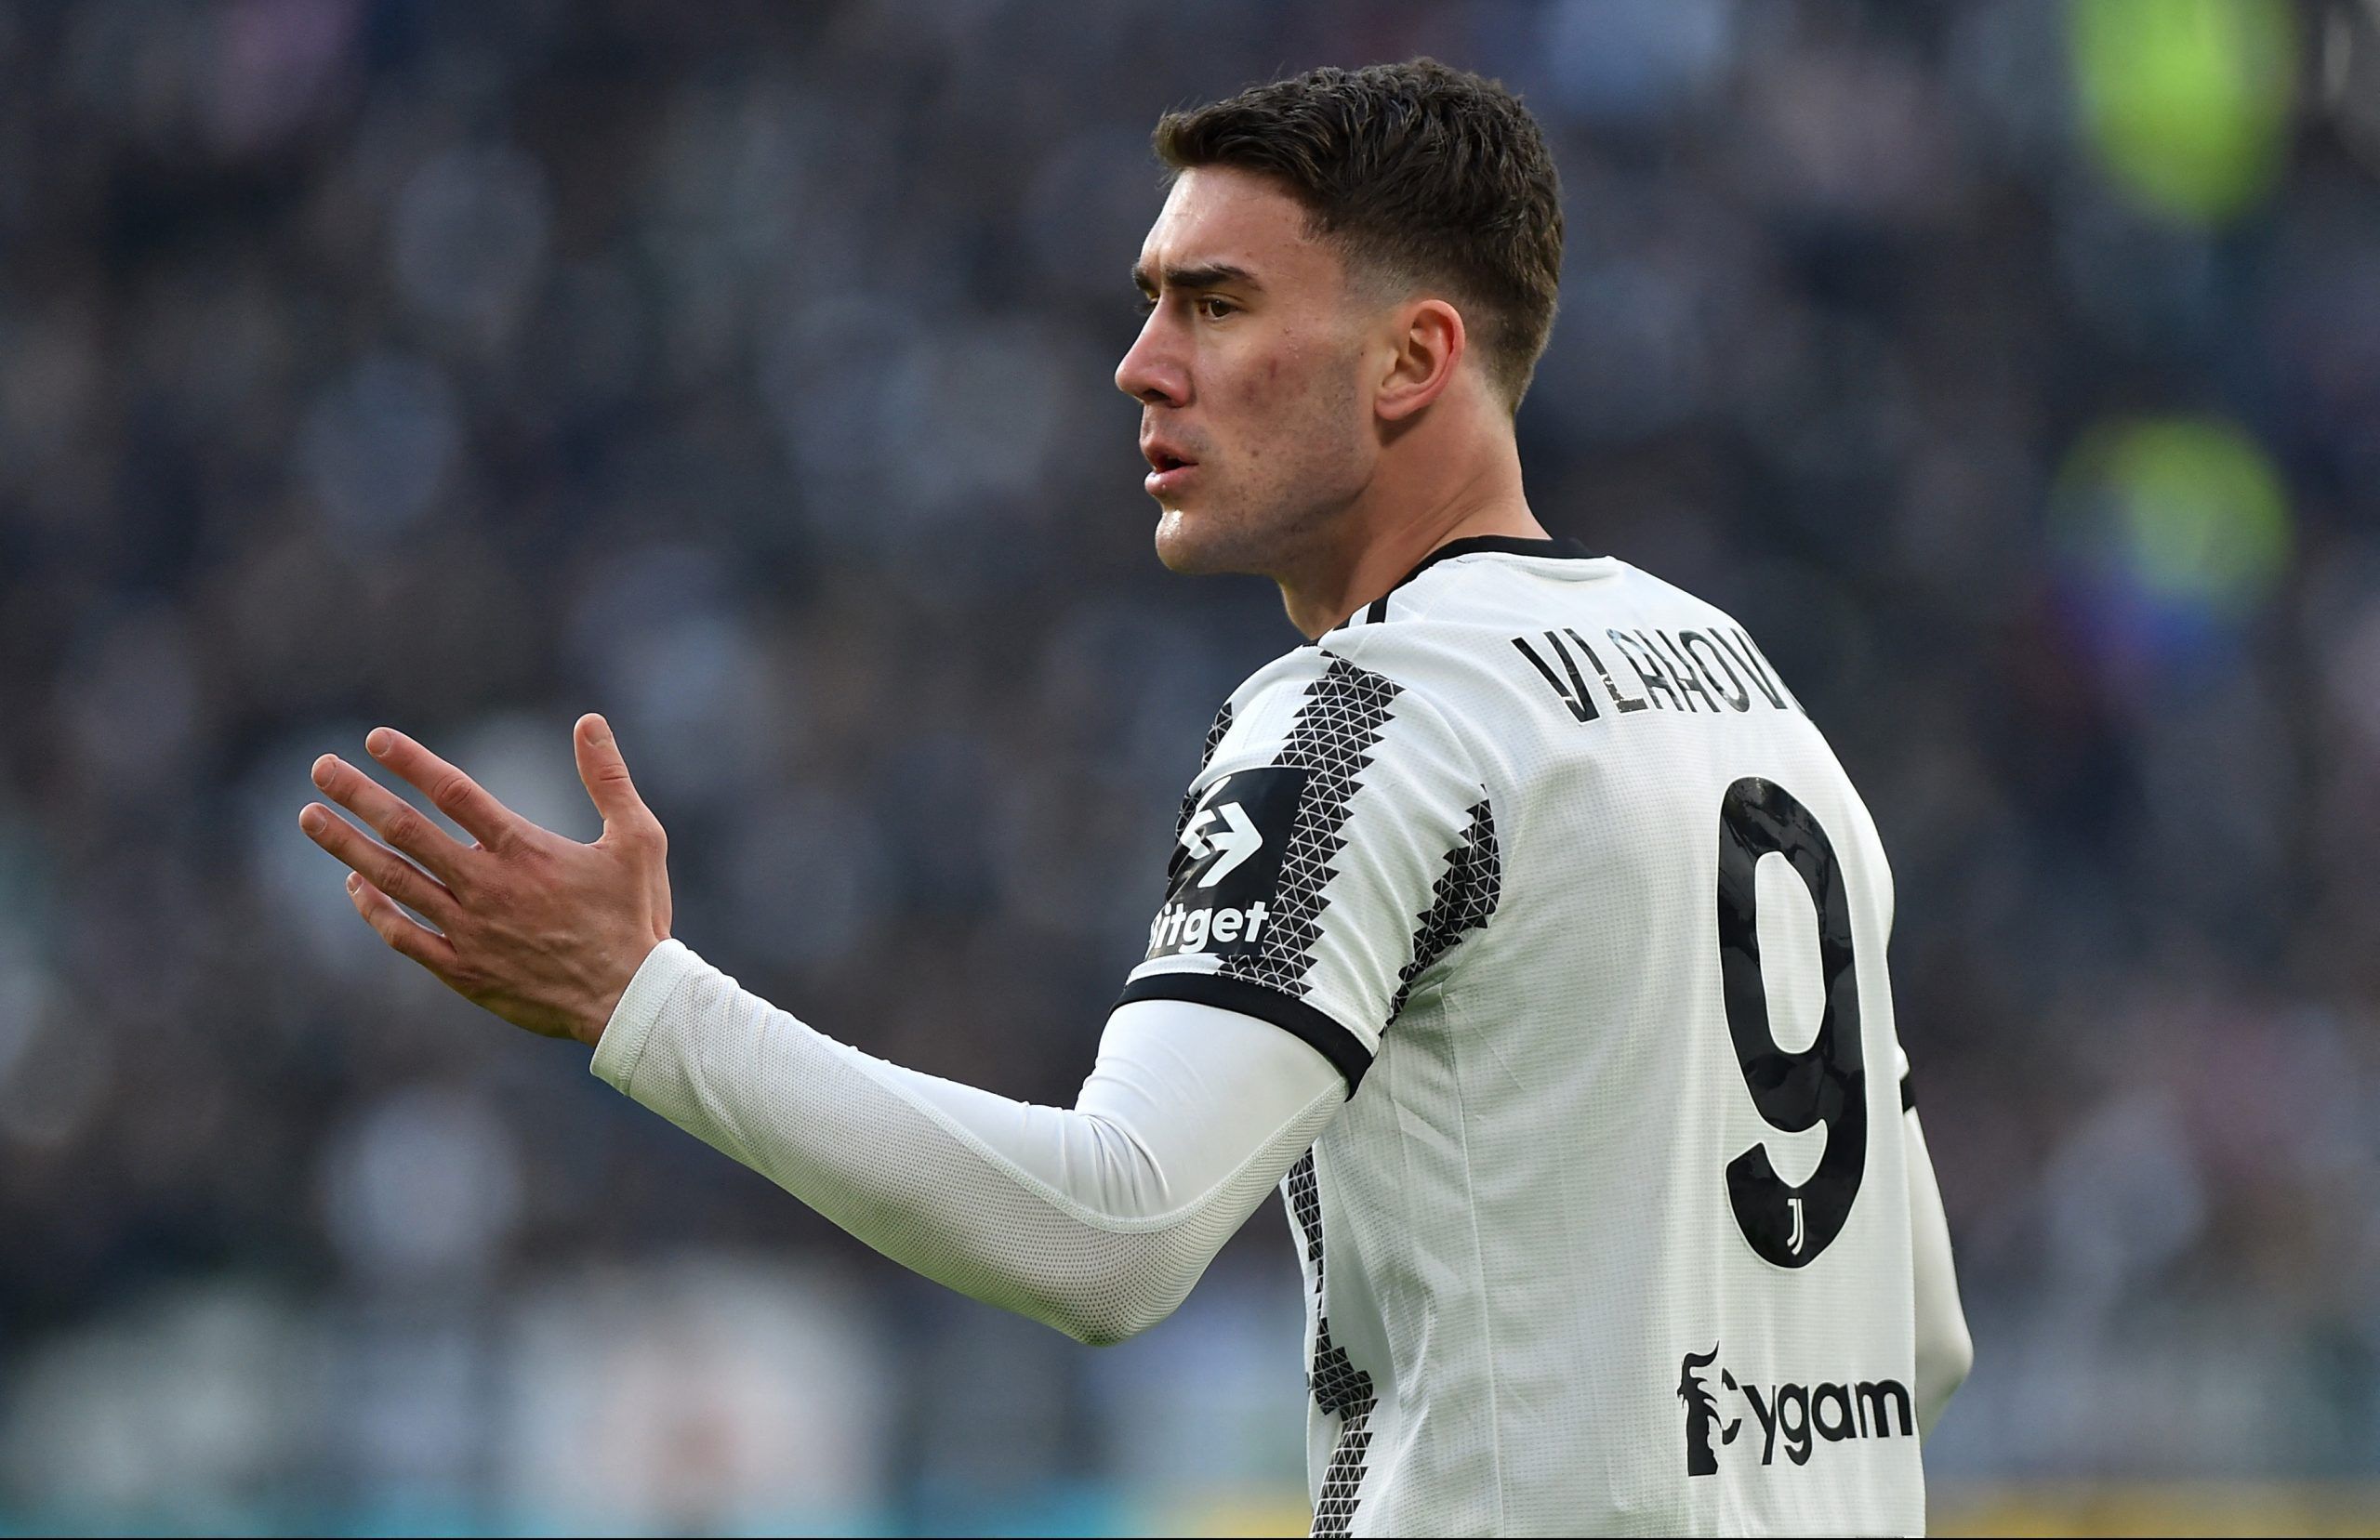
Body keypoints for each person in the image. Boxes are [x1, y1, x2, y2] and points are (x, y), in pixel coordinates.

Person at [298, 59, 1971, 1536]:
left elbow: (1114, 1230)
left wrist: (642, 1004)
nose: (1139, 364)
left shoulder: (1369, 711)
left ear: (1413, 359)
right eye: (1153, 297)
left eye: (1218, 304)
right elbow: (1919, 1330)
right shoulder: (1738, 687)